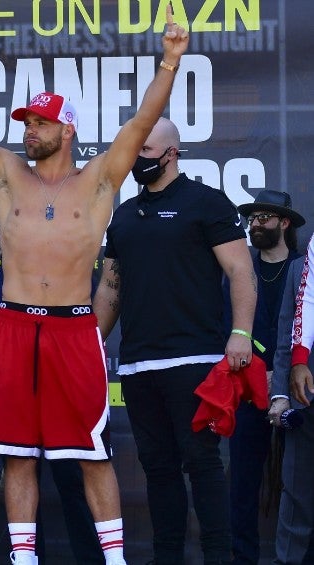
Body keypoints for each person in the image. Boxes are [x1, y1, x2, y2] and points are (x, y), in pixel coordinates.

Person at [0, 7, 188, 564]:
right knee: (15, 452)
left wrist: (170, 62)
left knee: (92, 452)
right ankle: (23, 559)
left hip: (74, 330)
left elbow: (140, 124)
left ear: (66, 128)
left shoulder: (100, 179)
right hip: (12, 325)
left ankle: (116, 560)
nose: (28, 131)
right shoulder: (6, 172)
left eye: (39, 123)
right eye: (26, 123)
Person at [93, 116, 255, 564]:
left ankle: (218, 556)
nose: (138, 159)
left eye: (146, 151)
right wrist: (90, 343)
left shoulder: (206, 203)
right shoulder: (123, 216)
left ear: (171, 153)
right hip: (138, 366)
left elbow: (241, 271)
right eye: (135, 151)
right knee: (158, 468)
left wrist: (241, 333)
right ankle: (168, 557)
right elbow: (110, 288)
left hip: (195, 359)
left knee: (202, 464)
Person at [0, 221, 105, 565]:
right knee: (20, 478)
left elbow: (88, 329)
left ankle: (93, 559)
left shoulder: (72, 276)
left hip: (63, 400)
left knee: (76, 482)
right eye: (0, 228)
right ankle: (28, 558)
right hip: (15, 397)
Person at [226, 190, 304, 564]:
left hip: (297, 389)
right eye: (251, 218)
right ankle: (243, 558)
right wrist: (261, 369)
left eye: (263, 218)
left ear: (283, 222)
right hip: (247, 386)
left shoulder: (305, 270)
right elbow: (229, 327)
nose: (254, 224)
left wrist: (283, 375)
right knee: (241, 483)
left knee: (300, 483)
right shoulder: (241, 270)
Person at [272, 249, 314, 564]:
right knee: (296, 494)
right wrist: (279, 396)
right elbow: (286, 334)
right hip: (305, 398)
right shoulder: (302, 266)